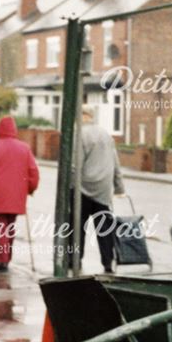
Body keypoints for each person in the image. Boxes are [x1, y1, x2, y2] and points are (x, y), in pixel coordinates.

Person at [0, 115, 39, 273]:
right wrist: (31, 189)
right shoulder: (24, 148)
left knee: (0, 229)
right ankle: (8, 258)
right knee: (10, 227)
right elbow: (33, 172)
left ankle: (3, 261)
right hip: (16, 196)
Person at [72, 104, 125, 273]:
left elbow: (75, 165)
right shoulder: (106, 134)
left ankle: (75, 260)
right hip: (103, 190)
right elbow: (115, 162)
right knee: (105, 230)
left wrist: (71, 187)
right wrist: (119, 187)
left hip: (83, 190)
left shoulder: (79, 134)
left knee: (77, 228)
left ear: (84, 115)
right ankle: (108, 263)